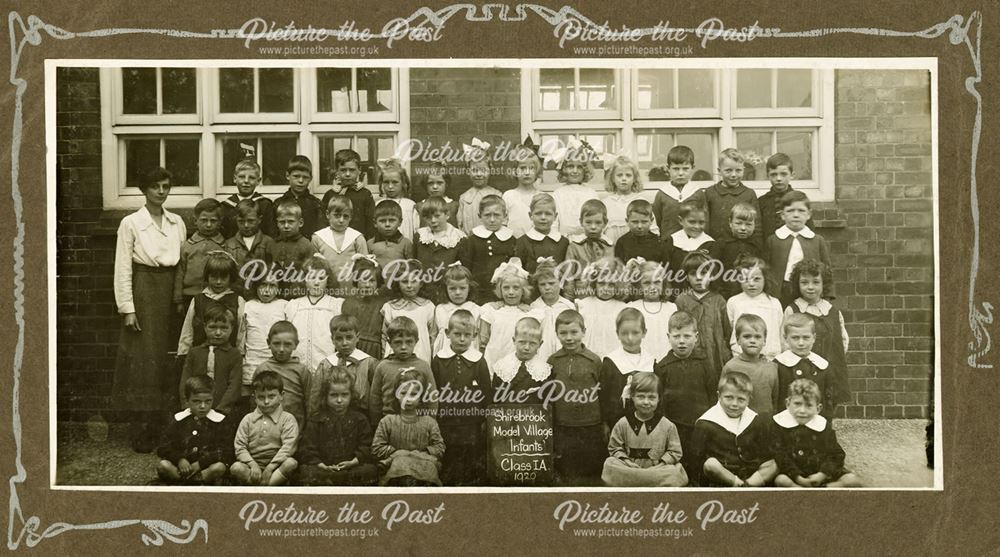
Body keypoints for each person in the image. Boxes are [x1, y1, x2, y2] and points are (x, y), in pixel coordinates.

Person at [113, 167, 187, 452]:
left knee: (169, 357)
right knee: (145, 360)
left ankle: (165, 426)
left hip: (172, 289)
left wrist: (179, 296)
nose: (161, 191)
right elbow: (122, 268)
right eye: (155, 186)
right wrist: (128, 308)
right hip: (144, 288)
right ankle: (142, 429)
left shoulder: (176, 222)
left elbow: (182, 262)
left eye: (166, 186)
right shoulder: (131, 223)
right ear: (144, 190)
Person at [431, 309, 493, 485]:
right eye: (457, 334)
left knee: (470, 455)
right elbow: (433, 391)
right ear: (447, 333)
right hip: (446, 420)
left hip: (471, 421)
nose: (462, 339)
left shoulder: (478, 361)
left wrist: (483, 419)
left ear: (474, 335)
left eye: (467, 335)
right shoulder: (438, 360)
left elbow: (486, 392)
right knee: (448, 455)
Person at [654, 310, 716, 480]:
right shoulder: (662, 367)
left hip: (700, 424)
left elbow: (712, 396)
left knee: (698, 460)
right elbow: (659, 401)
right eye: (676, 336)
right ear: (668, 336)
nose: (681, 341)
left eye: (687, 336)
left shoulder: (704, 363)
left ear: (696, 337)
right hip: (674, 426)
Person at [689, 372, 777, 487]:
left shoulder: (754, 420)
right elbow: (696, 458)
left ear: (749, 400)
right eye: (729, 398)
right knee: (710, 464)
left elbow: (764, 453)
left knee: (773, 464)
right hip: (723, 474)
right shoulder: (706, 422)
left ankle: (747, 486)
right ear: (719, 396)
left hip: (750, 473)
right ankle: (737, 484)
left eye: (741, 399)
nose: (734, 404)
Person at [547, 309, 604, 485]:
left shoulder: (594, 361)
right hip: (563, 425)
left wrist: (604, 422)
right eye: (563, 333)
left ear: (584, 332)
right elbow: (549, 395)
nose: (569, 338)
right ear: (556, 334)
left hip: (590, 425)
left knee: (590, 468)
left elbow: (602, 393)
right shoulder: (552, 361)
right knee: (566, 469)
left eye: (574, 332)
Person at [601, 372, 687, 487]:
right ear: (632, 397)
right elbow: (615, 448)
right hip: (630, 469)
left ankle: (641, 480)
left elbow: (675, 451)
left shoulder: (667, 425)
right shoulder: (623, 423)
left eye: (651, 397)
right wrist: (627, 462)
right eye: (641, 397)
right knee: (610, 464)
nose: (646, 402)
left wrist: (661, 464)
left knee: (674, 471)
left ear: (659, 399)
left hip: (657, 470)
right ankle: (645, 480)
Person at [771, 379, 862, 488]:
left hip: (820, 474)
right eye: (797, 404)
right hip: (794, 476)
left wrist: (821, 475)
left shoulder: (822, 425)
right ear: (787, 403)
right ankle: (800, 490)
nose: (802, 410)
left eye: (809, 405)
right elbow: (780, 455)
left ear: (818, 409)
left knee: (852, 481)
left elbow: (836, 455)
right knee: (781, 480)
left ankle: (825, 489)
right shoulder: (780, 424)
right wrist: (798, 477)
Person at [785, 258, 850, 409]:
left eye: (816, 282)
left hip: (829, 368)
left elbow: (843, 340)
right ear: (797, 284)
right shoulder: (793, 310)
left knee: (827, 405)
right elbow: (785, 341)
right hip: (802, 369)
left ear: (824, 284)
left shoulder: (833, 311)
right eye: (804, 282)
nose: (810, 287)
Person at [295, 371, 379, 486]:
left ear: (351, 395)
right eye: (334, 395)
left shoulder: (360, 419)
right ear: (325, 396)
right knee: (306, 472)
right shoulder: (316, 420)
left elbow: (366, 446)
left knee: (370, 471)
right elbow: (307, 448)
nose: (339, 400)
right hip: (324, 468)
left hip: (352, 467)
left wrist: (353, 462)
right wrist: (321, 465)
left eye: (344, 395)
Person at [372, 369, 447, 486]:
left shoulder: (429, 422)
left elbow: (440, 447)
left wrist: (419, 454)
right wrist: (397, 453)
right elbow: (377, 448)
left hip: (423, 467)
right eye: (403, 393)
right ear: (396, 394)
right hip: (396, 471)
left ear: (421, 396)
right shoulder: (388, 421)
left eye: (413, 394)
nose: (408, 399)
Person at [156, 375, 229, 485]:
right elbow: (163, 447)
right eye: (196, 401)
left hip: (204, 469)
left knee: (219, 467)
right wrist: (179, 459)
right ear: (187, 401)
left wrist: (201, 463)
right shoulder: (179, 419)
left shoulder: (218, 421)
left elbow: (224, 450)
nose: (203, 406)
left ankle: (196, 481)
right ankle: (183, 480)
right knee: (163, 465)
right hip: (181, 468)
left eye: (208, 401)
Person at [764, 190, 831, 307]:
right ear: (782, 215)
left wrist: (827, 295)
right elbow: (767, 270)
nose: (796, 215)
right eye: (790, 211)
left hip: (808, 289)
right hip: (782, 291)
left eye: (801, 211)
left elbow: (827, 270)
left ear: (809, 214)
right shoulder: (773, 240)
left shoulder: (817, 240)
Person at [231, 370, 299, 486]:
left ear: (281, 396)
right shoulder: (248, 419)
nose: (266, 401)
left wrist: (270, 468)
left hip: (276, 468)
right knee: (236, 468)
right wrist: (253, 465)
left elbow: (288, 447)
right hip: (252, 467)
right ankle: (263, 486)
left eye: (271, 396)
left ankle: (263, 487)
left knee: (291, 463)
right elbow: (240, 447)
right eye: (261, 397)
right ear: (254, 397)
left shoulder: (287, 419)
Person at [369, 316, 439, 425]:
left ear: (416, 341)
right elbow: (375, 399)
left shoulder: (423, 366)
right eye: (398, 342)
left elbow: (431, 399)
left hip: (417, 422)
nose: (403, 347)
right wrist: (376, 425)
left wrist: (429, 424)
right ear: (389, 342)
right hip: (389, 422)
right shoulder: (383, 366)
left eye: (409, 342)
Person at [176, 252, 246, 360]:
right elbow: (188, 330)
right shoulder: (198, 300)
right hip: (201, 356)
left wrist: (240, 354)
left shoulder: (238, 301)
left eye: (223, 278)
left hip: (227, 358)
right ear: (207, 276)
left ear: (230, 278)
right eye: (214, 277)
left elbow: (241, 332)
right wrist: (183, 353)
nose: (218, 282)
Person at [178, 304, 243, 416]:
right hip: (195, 409)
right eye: (212, 327)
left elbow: (234, 385)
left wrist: (221, 408)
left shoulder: (234, 354)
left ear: (232, 328)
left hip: (222, 411)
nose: (218, 333)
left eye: (224, 328)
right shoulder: (195, 352)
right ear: (204, 327)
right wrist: (187, 405)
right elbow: (185, 381)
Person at [674, 251, 732, 376]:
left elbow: (727, 331)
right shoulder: (682, 300)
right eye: (693, 274)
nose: (699, 278)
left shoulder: (719, 300)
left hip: (715, 356)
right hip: (690, 354)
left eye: (704, 273)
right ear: (687, 277)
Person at [478, 259, 541, 371]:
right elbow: (483, 341)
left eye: (516, 288)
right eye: (506, 288)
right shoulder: (491, 310)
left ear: (523, 290)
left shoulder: (529, 313)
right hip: (494, 359)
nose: (511, 292)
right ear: (500, 290)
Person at [600, 308, 656, 432]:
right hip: (616, 423)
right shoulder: (610, 362)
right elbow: (603, 397)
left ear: (644, 332)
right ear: (617, 333)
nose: (630, 338)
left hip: (645, 424)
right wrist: (604, 423)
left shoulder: (650, 362)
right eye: (624, 333)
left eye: (635, 333)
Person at [284, 255, 344, 371]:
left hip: (326, 367)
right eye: (312, 277)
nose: (316, 283)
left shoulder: (336, 305)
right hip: (297, 368)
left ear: (328, 280)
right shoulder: (294, 305)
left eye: (321, 278)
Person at [238, 278, 288, 416]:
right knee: (253, 408)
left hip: (276, 366)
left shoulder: (284, 306)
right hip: (252, 364)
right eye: (263, 285)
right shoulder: (248, 306)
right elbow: (241, 338)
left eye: (272, 285)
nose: (267, 290)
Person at [311, 314, 376, 417]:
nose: (344, 343)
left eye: (349, 337)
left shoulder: (369, 363)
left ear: (357, 337)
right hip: (331, 415)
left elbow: (374, 397)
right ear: (332, 339)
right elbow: (316, 396)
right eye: (339, 339)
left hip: (361, 416)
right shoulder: (326, 364)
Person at [775, 313, 836, 419]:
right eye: (795, 338)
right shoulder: (779, 365)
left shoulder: (822, 366)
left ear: (814, 338)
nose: (801, 343)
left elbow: (829, 400)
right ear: (786, 338)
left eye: (806, 337)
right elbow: (775, 399)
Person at [252, 320, 311, 431]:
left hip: (296, 427)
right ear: (268, 343)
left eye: (287, 344)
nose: (281, 349)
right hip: (267, 429)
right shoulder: (263, 369)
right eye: (276, 344)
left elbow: (309, 402)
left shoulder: (301, 370)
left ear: (296, 344)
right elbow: (254, 401)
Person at [459, 194, 516, 304]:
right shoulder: (472, 240)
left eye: (497, 215)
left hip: (503, 291)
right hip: (478, 291)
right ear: (479, 216)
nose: (492, 220)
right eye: (487, 215)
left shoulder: (511, 239)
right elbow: (466, 267)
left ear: (505, 216)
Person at [173, 198, 226, 315]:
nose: (208, 225)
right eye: (203, 220)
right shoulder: (187, 246)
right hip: (189, 296)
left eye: (213, 221)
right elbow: (180, 273)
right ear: (195, 220)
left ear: (220, 222)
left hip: (215, 295)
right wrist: (178, 300)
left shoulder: (224, 246)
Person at [727, 256, 784, 360]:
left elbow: (780, 331)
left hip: (769, 357)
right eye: (746, 279)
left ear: (765, 279)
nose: (751, 284)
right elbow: (730, 328)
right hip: (741, 357)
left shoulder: (774, 303)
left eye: (757, 279)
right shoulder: (734, 302)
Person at [380, 259, 436, 363]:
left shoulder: (428, 307)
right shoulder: (390, 307)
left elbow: (433, 336)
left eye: (414, 281)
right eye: (405, 281)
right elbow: (385, 336)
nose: (409, 286)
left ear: (421, 283)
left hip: (421, 356)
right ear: (398, 283)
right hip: (395, 358)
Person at [722, 314, 780, 415]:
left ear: (764, 340)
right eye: (747, 336)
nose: (752, 341)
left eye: (757, 337)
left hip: (765, 421)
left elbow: (775, 398)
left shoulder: (772, 367)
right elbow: (724, 397)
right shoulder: (731, 367)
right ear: (738, 339)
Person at [413, 196, 467, 303]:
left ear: (447, 215)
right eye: (428, 217)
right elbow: (414, 263)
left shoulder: (459, 238)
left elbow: (463, 268)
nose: (433, 220)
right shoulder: (420, 236)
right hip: (423, 291)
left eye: (437, 216)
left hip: (448, 293)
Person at [702, 148, 762, 244]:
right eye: (728, 170)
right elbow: (705, 225)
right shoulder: (710, 193)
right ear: (719, 170)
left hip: (743, 248)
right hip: (716, 248)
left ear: (743, 170)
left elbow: (757, 226)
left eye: (738, 170)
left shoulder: (749, 194)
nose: (733, 175)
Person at [626, 259, 677, 362]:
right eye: (646, 283)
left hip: (667, 361)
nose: (652, 287)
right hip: (641, 362)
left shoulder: (671, 308)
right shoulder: (633, 308)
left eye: (657, 282)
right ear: (638, 286)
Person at [312, 194, 369, 286]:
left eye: (345, 216)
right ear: (327, 214)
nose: (341, 220)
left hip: (351, 288)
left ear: (351, 217)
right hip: (326, 288)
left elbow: (365, 267)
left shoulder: (357, 238)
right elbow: (314, 266)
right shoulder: (318, 238)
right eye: (337, 215)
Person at [491, 317, 552, 403]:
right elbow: (495, 400)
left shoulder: (543, 370)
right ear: (514, 340)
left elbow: (547, 402)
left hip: (533, 415)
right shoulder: (502, 367)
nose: (526, 347)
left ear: (540, 344)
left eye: (532, 343)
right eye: (522, 342)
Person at [576, 257, 628, 358]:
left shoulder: (622, 308)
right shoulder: (584, 305)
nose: (606, 289)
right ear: (594, 284)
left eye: (611, 285)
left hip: (615, 357)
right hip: (588, 357)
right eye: (601, 283)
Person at [339, 255, 388, 359]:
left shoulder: (383, 305)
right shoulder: (348, 303)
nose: (367, 285)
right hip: (353, 348)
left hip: (374, 350)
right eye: (363, 280)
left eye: (372, 281)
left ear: (378, 282)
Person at [653, 145, 705, 239]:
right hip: (669, 244)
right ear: (668, 168)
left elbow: (705, 221)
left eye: (685, 168)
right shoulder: (662, 194)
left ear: (692, 168)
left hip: (693, 243)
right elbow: (657, 222)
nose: (680, 173)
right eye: (676, 169)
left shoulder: (697, 193)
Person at [711, 202, 762, 299]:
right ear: (730, 222)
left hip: (749, 291)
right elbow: (714, 269)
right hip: (725, 292)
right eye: (738, 223)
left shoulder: (756, 246)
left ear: (755, 224)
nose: (743, 228)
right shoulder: (721, 244)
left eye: (748, 224)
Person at [266, 200, 316, 299]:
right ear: (277, 223)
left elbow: (311, 272)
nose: (286, 226)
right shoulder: (272, 244)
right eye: (282, 222)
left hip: (299, 294)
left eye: (291, 221)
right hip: (275, 294)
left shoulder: (306, 245)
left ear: (300, 223)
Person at [267, 155, 324, 240]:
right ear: (287, 175)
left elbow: (320, 233)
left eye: (305, 177)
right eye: (296, 176)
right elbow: (273, 233)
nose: (301, 181)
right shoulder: (278, 203)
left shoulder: (316, 204)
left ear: (310, 179)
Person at [758, 153, 813, 240]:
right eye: (773, 174)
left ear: (792, 175)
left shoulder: (800, 200)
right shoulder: (762, 202)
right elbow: (758, 232)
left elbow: (810, 231)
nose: (779, 178)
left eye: (783, 174)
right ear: (767, 176)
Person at [564, 199, 613, 299]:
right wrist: (569, 301)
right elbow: (569, 276)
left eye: (598, 222)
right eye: (588, 222)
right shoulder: (574, 246)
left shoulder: (610, 246)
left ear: (605, 222)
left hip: (604, 295)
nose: (593, 227)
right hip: (582, 295)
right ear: (581, 222)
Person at [549, 139, 598, 237]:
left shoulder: (591, 193)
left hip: (587, 239)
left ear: (585, 170)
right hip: (563, 239)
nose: (575, 171)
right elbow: (553, 222)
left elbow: (597, 219)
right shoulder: (558, 194)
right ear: (563, 169)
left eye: (579, 167)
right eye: (571, 166)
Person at [223, 199, 274, 293]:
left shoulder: (268, 243)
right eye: (241, 221)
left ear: (259, 219)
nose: (246, 225)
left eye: (251, 221)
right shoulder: (229, 244)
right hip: (236, 293)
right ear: (235, 220)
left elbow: (271, 271)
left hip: (261, 294)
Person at [322, 149, 375, 239]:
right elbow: (323, 222)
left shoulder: (365, 194)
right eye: (343, 170)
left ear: (359, 170)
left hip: (358, 240)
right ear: (336, 171)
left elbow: (371, 223)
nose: (347, 174)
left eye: (352, 170)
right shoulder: (330, 194)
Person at [530, 261, 576, 363]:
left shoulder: (568, 307)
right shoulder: (534, 307)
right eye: (542, 284)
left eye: (551, 283)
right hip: (541, 357)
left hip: (564, 356)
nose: (547, 287)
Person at [667, 201, 714, 299]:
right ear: (681, 221)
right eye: (692, 222)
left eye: (701, 222)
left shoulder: (710, 244)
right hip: (676, 293)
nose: (697, 226)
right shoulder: (671, 241)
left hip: (702, 295)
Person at [431, 264, 481, 355]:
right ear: (446, 289)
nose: (458, 292)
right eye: (452, 288)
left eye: (462, 288)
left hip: (469, 354)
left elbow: (479, 338)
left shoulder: (476, 309)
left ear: (469, 288)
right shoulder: (440, 309)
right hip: (444, 354)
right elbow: (433, 335)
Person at [514, 193, 569, 275]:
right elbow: (519, 272)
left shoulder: (563, 242)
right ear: (530, 215)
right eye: (538, 213)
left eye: (548, 214)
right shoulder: (522, 242)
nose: (543, 217)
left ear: (555, 216)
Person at [602, 153, 652, 244]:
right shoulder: (606, 203)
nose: (624, 179)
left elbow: (651, 229)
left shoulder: (641, 201)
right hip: (611, 247)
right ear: (612, 178)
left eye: (628, 175)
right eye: (619, 175)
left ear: (634, 178)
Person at [221, 158, 274, 239]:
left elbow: (270, 233)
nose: (246, 181)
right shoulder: (226, 206)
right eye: (242, 177)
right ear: (235, 179)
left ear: (258, 181)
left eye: (251, 178)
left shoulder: (264, 204)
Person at [457, 139, 503, 234]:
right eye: (474, 170)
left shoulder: (496, 195)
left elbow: (502, 221)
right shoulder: (464, 198)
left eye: (483, 170)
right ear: (468, 171)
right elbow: (460, 224)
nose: (478, 174)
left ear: (490, 170)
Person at [614, 199, 672, 266]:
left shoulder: (659, 243)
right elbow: (618, 269)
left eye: (644, 222)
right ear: (627, 221)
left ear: (651, 221)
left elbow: (666, 270)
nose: (639, 226)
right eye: (635, 222)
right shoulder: (622, 242)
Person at [503, 139, 543, 237]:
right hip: (514, 245)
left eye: (531, 168)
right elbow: (503, 223)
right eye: (522, 168)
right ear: (515, 171)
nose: (527, 172)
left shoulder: (541, 196)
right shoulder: (509, 196)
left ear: (537, 170)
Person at [373, 160, 419, 240]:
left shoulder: (410, 205)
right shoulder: (378, 204)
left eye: (395, 182)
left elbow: (416, 229)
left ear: (403, 183)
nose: (390, 186)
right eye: (386, 182)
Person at [368, 199, 414, 273]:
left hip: (398, 282)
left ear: (400, 222)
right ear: (375, 223)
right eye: (382, 221)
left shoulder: (406, 243)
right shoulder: (370, 244)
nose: (387, 224)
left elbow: (411, 268)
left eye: (392, 220)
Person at [415, 161, 459, 228]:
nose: (435, 187)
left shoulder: (454, 206)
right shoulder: (420, 206)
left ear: (446, 184)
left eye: (439, 183)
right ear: (425, 185)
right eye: (430, 183)